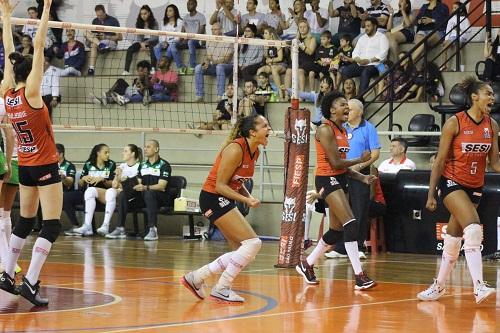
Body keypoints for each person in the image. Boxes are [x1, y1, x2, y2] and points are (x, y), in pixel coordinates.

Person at [0, 0, 62, 307]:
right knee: (51, 225)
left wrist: (7, 17)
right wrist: (47, 11)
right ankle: (30, 283)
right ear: (32, 74)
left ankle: (6, 274)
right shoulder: (32, 93)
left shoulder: (8, 94)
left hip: (24, 164)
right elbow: (38, 47)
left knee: (25, 221)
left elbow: (11, 58)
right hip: (45, 164)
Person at [417, 77, 498, 304]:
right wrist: (431, 193)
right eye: (487, 93)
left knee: (453, 236)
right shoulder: (455, 122)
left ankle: (439, 286)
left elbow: (495, 163)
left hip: (475, 186)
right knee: (472, 228)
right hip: (452, 182)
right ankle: (478, 286)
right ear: (474, 97)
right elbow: (440, 161)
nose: (492, 98)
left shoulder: (492, 125)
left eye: (492, 94)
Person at [180, 114, 270, 303]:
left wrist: (247, 196)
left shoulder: (255, 151)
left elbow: (238, 179)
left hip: (222, 198)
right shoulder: (235, 149)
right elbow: (220, 185)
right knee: (253, 243)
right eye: (265, 126)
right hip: (212, 197)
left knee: (244, 252)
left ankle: (196, 278)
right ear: (252, 132)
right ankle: (221, 287)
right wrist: (246, 201)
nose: (269, 129)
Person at [295, 92, 376, 289]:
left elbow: (341, 168)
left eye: (348, 105)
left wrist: (362, 177)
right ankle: (359, 275)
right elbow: (335, 162)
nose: (347, 108)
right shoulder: (325, 129)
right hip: (326, 179)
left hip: (339, 178)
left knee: (336, 230)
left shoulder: (341, 130)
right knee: (351, 222)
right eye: (343, 105)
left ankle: (307, 264)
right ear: (332, 109)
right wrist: (360, 160)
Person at [326, 99, 380, 259]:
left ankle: (358, 246)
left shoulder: (369, 128)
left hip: (360, 173)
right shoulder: (340, 128)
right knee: (342, 208)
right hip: (341, 172)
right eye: (345, 108)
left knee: (359, 209)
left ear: (360, 112)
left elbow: (375, 153)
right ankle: (340, 247)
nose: (347, 111)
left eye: (350, 109)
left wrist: (359, 167)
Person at [64, 144, 116, 236]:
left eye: (109, 152)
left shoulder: (111, 164)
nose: (108, 154)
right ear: (98, 153)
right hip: (89, 193)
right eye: (106, 152)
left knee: (88, 195)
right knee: (67, 197)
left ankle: (89, 228)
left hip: (105, 195)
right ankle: (77, 225)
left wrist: (103, 179)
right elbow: (80, 184)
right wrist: (83, 178)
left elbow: (113, 183)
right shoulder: (88, 164)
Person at [340, 17, 389, 99]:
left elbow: (383, 54)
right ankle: (347, 95)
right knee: (345, 71)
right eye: (365, 26)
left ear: (375, 26)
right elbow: (355, 52)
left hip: (376, 65)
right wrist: (357, 59)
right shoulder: (362, 38)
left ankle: (359, 98)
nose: (366, 28)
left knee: (366, 72)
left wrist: (369, 60)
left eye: (368, 26)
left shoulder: (382, 37)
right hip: (360, 64)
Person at [134, 140, 171, 241]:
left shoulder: (164, 165)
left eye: (148, 147)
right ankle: (120, 228)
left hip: (161, 198)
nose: (145, 149)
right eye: (145, 147)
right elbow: (138, 183)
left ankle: (152, 229)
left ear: (156, 149)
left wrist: (146, 187)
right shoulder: (142, 165)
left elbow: (162, 186)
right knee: (124, 195)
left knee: (149, 193)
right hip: (145, 195)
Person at [105, 144, 142, 239]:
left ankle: (118, 227)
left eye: (126, 151)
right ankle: (107, 225)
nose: (123, 153)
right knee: (112, 191)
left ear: (133, 154)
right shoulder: (122, 166)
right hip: (122, 194)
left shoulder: (139, 167)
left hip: (135, 196)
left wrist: (122, 183)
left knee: (122, 194)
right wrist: (118, 176)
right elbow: (114, 185)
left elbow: (135, 185)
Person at [194, 23, 233, 102]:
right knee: (198, 68)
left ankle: (220, 96)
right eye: (212, 29)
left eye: (215, 29)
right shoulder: (209, 40)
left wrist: (212, 62)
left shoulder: (228, 40)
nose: (213, 31)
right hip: (215, 66)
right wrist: (206, 62)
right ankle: (199, 96)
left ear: (221, 30)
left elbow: (226, 59)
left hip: (228, 67)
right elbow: (208, 57)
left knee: (219, 66)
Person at [85, 4, 122, 76]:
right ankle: (100, 45)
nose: (99, 17)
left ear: (105, 12)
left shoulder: (113, 20)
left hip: (110, 42)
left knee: (93, 44)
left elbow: (120, 37)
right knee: (85, 31)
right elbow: (92, 35)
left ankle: (91, 68)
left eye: (101, 15)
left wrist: (105, 37)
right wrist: (96, 36)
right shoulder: (95, 21)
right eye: (98, 16)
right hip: (98, 41)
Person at [412, 0, 449, 70]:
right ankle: (414, 67)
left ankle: (409, 62)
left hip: (437, 31)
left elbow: (445, 21)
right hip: (422, 31)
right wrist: (419, 21)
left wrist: (432, 20)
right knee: (420, 44)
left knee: (423, 42)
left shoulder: (443, 7)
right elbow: (416, 20)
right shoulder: (424, 6)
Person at [122, 5, 159, 75]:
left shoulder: (154, 22)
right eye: (141, 14)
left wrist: (146, 42)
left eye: (145, 13)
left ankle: (153, 68)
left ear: (149, 13)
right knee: (130, 49)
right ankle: (126, 70)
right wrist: (142, 43)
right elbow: (139, 37)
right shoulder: (138, 23)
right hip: (142, 42)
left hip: (152, 41)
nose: (143, 16)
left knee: (152, 48)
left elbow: (155, 37)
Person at [284, 19, 317, 95]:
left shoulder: (312, 39)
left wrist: (302, 46)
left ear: (308, 28)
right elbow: (292, 56)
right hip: (297, 60)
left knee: (300, 71)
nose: (302, 29)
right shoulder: (295, 39)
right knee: (288, 71)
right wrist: (292, 50)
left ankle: (302, 95)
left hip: (308, 61)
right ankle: (287, 94)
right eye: (300, 27)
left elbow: (310, 52)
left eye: (304, 27)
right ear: (298, 28)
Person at [155, 4, 187, 75]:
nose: (167, 12)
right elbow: (162, 34)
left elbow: (179, 36)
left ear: (175, 12)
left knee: (171, 47)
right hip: (166, 42)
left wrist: (170, 42)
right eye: (167, 11)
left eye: (170, 11)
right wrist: (164, 42)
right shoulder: (163, 22)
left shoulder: (180, 21)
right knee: (156, 47)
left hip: (176, 41)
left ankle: (180, 67)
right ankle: (162, 65)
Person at [256, 27, 287, 100]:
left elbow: (280, 58)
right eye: (264, 33)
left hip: (282, 64)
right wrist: (266, 48)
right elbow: (266, 57)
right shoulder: (266, 44)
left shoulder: (278, 43)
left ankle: (280, 92)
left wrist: (271, 61)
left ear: (271, 34)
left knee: (274, 69)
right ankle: (260, 90)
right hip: (272, 64)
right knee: (260, 70)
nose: (264, 35)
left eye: (266, 33)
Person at [441, 2, 470, 71]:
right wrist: (446, 39)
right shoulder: (451, 19)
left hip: (461, 37)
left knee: (458, 47)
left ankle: (460, 67)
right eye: (453, 8)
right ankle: (444, 66)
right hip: (452, 37)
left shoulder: (465, 19)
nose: (453, 9)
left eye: (455, 8)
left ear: (460, 9)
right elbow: (448, 29)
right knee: (444, 47)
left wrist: (459, 29)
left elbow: (468, 30)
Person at [182, 0, 206, 72]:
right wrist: (182, 39)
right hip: (186, 41)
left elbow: (201, 32)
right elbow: (182, 31)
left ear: (195, 5)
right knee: (173, 45)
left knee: (190, 42)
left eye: (190, 4)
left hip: (196, 41)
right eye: (187, 4)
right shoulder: (185, 17)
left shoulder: (201, 16)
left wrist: (190, 38)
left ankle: (192, 66)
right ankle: (181, 67)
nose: (188, 6)